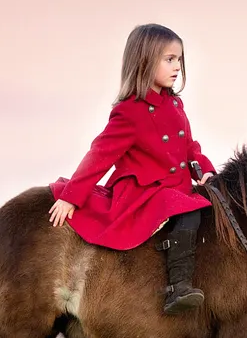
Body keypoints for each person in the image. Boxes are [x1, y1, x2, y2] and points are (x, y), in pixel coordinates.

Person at [47, 23, 218, 314]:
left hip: (175, 187)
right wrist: (71, 196)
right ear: (144, 61)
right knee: (189, 211)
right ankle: (177, 289)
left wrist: (203, 169)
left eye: (179, 59)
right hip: (145, 192)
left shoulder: (175, 104)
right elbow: (100, 154)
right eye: (169, 59)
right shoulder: (130, 112)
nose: (177, 66)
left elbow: (189, 145)